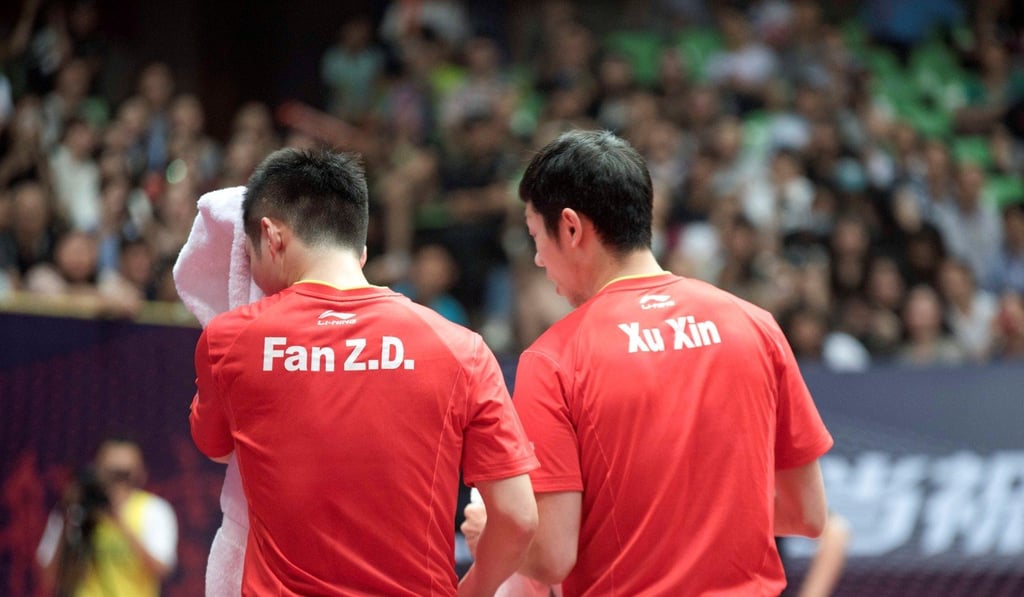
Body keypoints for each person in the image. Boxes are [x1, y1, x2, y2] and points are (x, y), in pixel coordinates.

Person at [463, 130, 832, 595]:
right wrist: (700, 512)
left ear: (572, 228)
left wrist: (492, 534)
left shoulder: (554, 359)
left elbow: (553, 556)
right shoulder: (755, 325)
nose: (538, 258)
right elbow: (808, 514)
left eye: (537, 237)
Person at [188, 147, 538, 596]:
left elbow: (217, 449)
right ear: (363, 250)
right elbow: (519, 517)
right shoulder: (460, 348)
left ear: (271, 237)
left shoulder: (229, 339)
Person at [36, 437, 178, 597]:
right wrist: (68, 522)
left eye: (124, 474)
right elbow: (49, 578)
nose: (117, 482)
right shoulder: (75, 510)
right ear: (96, 469)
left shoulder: (154, 510)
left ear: (141, 473)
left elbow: (162, 570)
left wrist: (118, 520)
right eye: (110, 473)